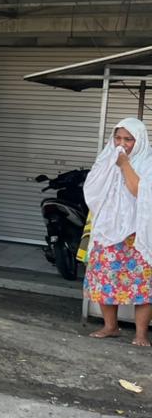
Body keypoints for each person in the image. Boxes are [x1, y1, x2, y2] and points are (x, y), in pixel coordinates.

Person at [84, 118, 152, 345]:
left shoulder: (148, 163)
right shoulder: (107, 158)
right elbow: (92, 189)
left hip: (137, 233)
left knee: (142, 284)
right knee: (105, 279)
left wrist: (124, 165)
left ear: (139, 140)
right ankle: (110, 327)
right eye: (118, 138)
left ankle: (141, 334)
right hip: (107, 230)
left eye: (128, 139)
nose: (122, 144)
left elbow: (138, 191)